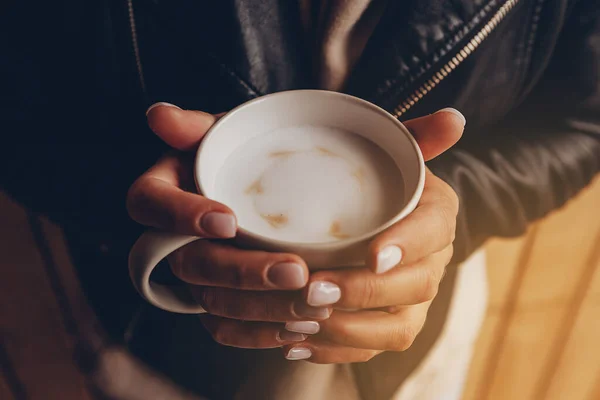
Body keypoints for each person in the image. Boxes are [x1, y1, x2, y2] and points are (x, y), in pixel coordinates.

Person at [2, 1, 599, 399]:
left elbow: (583, 120)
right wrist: (139, 202)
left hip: (414, 335)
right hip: (151, 357)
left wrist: (450, 216)